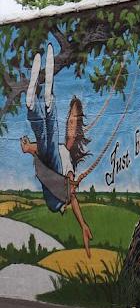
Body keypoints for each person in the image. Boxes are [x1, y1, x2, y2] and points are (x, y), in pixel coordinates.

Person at [19, 44, 93, 256]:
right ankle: (34, 106)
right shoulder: (60, 149)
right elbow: (42, 148)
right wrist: (29, 149)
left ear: (78, 131)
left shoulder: (67, 160)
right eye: (69, 119)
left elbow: (71, 190)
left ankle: (48, 103)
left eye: (74, 122)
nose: (70, 124)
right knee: (44, 138)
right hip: (49, 177)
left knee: (49, 143)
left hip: (56, 198)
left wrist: (83, 225)